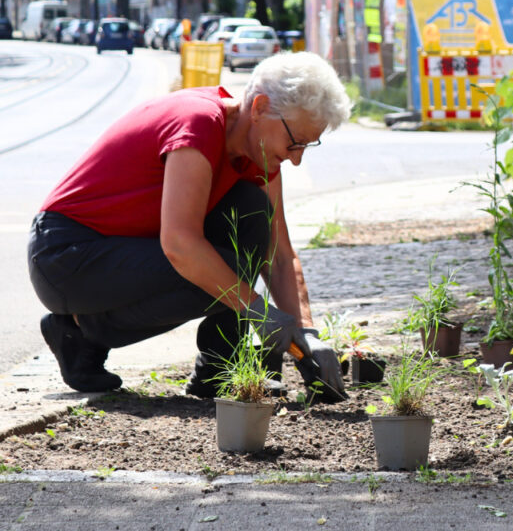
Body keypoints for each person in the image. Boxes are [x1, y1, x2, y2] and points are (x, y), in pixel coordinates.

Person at [28, 52, 350, 399]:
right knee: (220, 271)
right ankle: (81, 332)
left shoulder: (258, 153)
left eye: (307, 145)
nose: (296, 158)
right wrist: (258, 310)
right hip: (65, 255)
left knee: (252, 212)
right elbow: (181, 246)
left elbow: (280, 255)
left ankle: (219, 369)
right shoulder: (197, 125)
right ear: (259, 108)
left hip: (129, 249)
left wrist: (306, 334)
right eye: (294, 142)